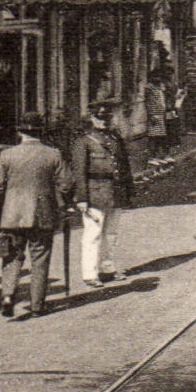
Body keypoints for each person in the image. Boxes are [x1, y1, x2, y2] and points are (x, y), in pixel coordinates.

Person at [0, 116, 73, 319]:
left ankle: (8, 296)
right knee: (40, 259)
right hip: (42, 215)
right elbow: (67, 184)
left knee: (12, 257)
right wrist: (61, 201)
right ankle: (37, 306)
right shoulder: (53, 154)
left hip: (11, 215)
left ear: (20, 132)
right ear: (40, 132)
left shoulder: (7, 155)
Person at [71, 102, 133, 286]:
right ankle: (90, 273)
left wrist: (129, 190)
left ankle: (108, 268)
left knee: (111, 233)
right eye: (100, 118)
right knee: (93, 233)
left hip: (116, 191)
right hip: (95, 192)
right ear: (92, 118)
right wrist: (82, 197)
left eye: (106, 118)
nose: (104, 122)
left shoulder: (115, 138)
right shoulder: (84, 142)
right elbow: (79, 172)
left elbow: (124, 166)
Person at [144, 70, 171, 161]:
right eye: (155, 77)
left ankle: (162, 155)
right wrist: (151, 115)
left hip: (161, 114)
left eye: (159, 77)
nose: (158, 79)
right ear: (151, 78)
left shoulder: (161, 87)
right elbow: (148, 103)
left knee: (162, 136)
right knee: (153, 136)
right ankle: (152, 156)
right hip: (154, 114)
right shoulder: (149, 88)